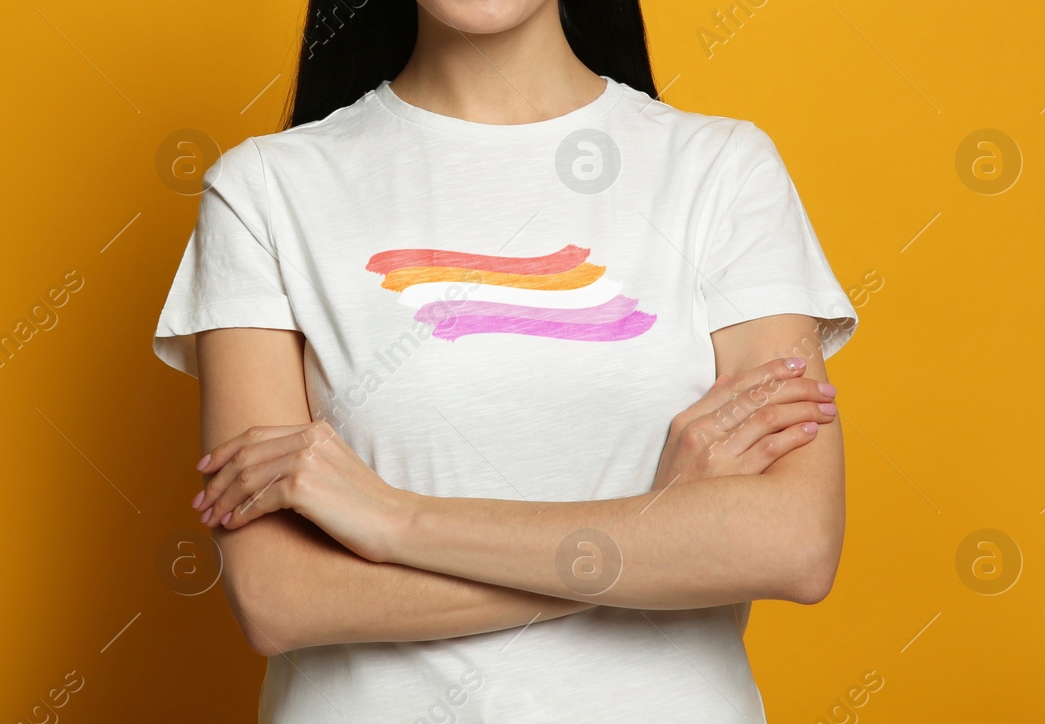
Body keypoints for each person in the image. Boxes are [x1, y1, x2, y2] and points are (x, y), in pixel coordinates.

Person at [151, 1, 859, 720]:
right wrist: (649, 535)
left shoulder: (722, 171)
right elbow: (281, 600)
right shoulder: (264, 192)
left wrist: (399, 521)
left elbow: (793, 543)